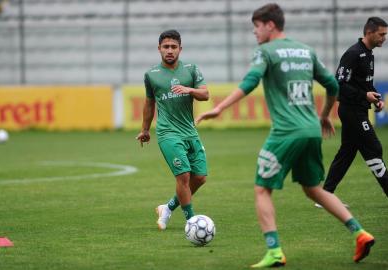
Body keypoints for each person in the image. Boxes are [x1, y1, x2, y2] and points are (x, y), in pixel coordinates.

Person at [196, 4, 374, 268]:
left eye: (256, 26)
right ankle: (360, 233)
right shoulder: (306, 50)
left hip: (286, 132)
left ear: (270, 25)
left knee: (262, 189)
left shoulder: (266, 52)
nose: (255, 32)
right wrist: (324, 115)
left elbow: (250, 82)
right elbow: (333, 85)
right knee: (313, 189)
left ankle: (274, 251)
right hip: (311, 129)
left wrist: (219, 108)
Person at [136, 29, 210, 230]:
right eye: (166, 47)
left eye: (173, 47)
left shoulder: (191, 69)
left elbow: (205, 95)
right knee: (184, 176)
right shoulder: (151, 75)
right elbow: (149, 103)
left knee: (200, 178)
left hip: (190, 131)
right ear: (159, 49)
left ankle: (167, 208)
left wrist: (190, 90)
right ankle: (192, 222)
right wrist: (145, 129)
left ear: (180, 49)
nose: (170, 50)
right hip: (168, 133)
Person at [318, 17, 388, 206]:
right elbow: (338, 85)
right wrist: (364, 96)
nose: (384, 38)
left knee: (347, 152)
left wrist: (375, 98)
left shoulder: (368, 53)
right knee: (374, 148)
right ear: (369, 32)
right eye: (381, 34)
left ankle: (325, 196)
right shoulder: (353, 53)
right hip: (351, 111)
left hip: (359, 109)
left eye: (385, 34)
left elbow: (363, 83)